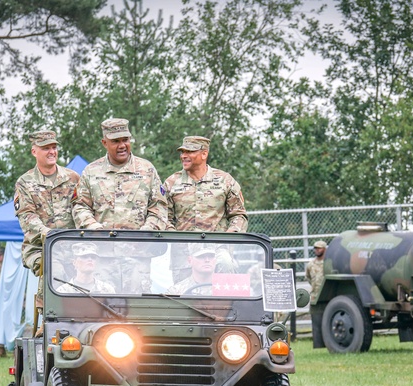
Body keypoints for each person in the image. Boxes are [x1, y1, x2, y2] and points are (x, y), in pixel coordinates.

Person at [72, 118, 167, 292]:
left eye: (125, 140)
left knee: (137, 313)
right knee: (103, 308)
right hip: (102, 257)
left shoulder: (147, 169)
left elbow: (159, 207)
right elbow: (79, 206)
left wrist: (146, 231)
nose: (122, 145)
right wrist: (93, 227)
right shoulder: (91, 172)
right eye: (116, 141)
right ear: (104, 143)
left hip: (138, 257)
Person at [161, 135, 248, 283]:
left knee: (222, 299)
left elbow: (238, 215)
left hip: (217, 252)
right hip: (184, 255)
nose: (184, 156)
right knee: (184, 300)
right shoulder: (171, 183)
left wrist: (231, 234)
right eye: (182, 152)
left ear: (204, 154)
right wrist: (174, 235)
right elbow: (163, 217)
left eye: (190, 152)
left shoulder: (225, 181)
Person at [13, 130, 79, 278]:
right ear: (34, 152)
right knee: (55, 273)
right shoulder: (24, 183)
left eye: (54, 147)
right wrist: (48, 234)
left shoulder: (72, 178)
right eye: (46, 148)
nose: (52, 152)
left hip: (73, 247)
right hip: (41, 247)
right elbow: (27, 217)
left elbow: (81, 209)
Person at [305, 240, 328, 347]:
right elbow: (309, 278)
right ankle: (318, 344)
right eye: (315, 248)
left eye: (319, 248)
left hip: (328, 296)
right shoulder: (311, 264)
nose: (317, 250)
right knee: (316, 321)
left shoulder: (328, 263)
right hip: (315, 296)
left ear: (325, 249)